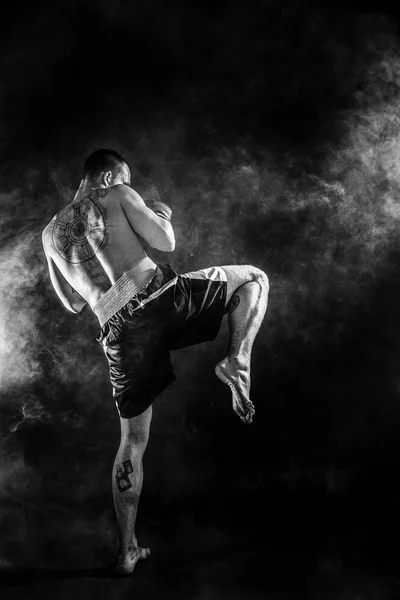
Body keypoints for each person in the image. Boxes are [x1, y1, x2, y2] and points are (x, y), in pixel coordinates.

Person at [41, 148, 269, 575]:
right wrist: (159, 213)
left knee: (131, 444)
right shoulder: (118, 192)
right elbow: (167, 242)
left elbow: (73, 305)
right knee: (254, 279)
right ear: (108, 176)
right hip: (157, 299)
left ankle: (126, 551)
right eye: (124, 179)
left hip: (116, 329)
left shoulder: (49, 234)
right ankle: (236, 359)